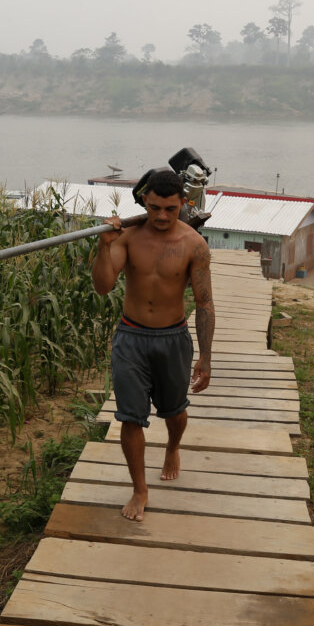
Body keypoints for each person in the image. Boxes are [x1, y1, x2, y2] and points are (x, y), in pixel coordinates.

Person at [92, 169, 215, 522]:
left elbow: (204, 304)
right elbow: (103, 286)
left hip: (173, 338)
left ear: (183, 205)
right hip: (131, 337)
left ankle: (173, 447)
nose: (161, 216)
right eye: (155, 207)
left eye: (170, 209)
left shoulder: (194, 244)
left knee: (174, 411)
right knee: (131, 418)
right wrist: (103, 246)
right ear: (144, 200)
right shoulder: (128, 237)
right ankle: (139, 489)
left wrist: (205, 358)